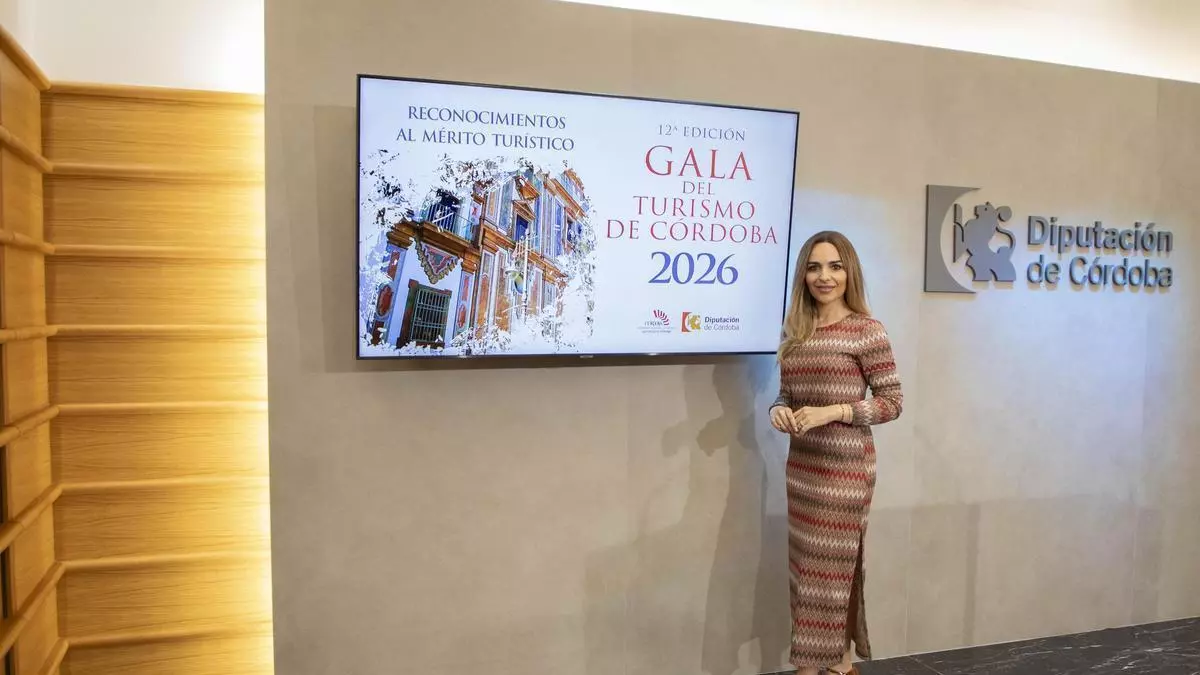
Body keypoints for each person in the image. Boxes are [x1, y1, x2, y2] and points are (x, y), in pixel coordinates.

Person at [770, 231, 903, 675]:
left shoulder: (867, 330)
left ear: (850, 273)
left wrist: (835, 412)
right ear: (803, 276)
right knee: (807, 571)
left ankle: (812, 667)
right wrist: (777, 411)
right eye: (814, 267)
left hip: (845, 473)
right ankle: (840, 665)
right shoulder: (796, 331)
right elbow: (787, 395)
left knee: (828, 570)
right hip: (802, 470)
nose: (824, 277)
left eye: (834, 266)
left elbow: (891, 403)